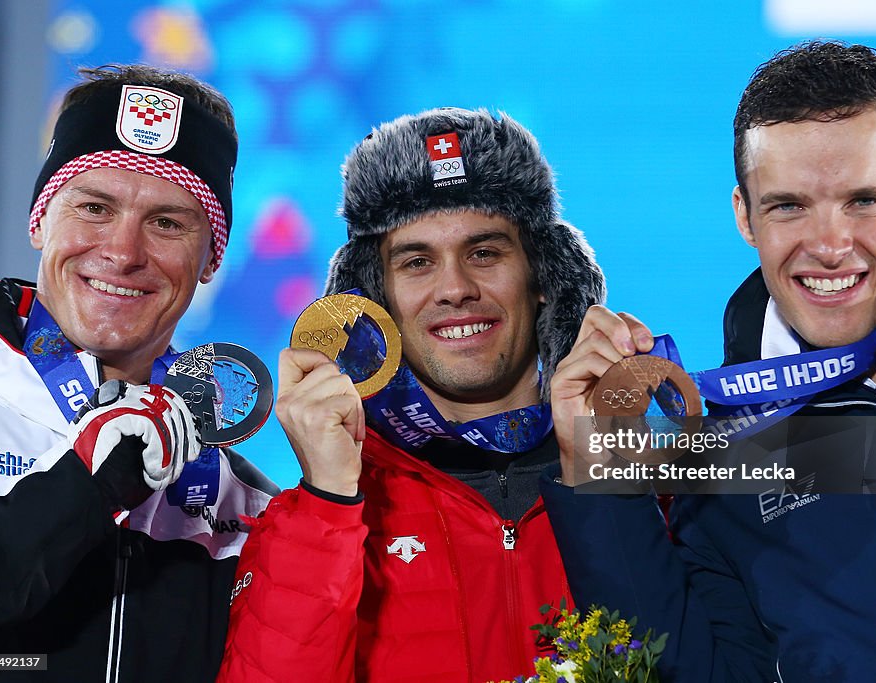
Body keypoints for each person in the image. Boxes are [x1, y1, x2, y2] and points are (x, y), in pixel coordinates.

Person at [542, 41, 876, 681]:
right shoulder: (727, 444)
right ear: (744, 216)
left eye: (863, 200)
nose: (830, 246)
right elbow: (693, 671)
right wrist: (598, 475)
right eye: (789, 206)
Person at [217, 108, 606, 681]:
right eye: (417, 262)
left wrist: (605, 474)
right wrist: (327, 498)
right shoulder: (317, 514)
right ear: (374, 301)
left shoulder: (636, 480)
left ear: (545, 279)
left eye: (485, 253)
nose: (455, 289)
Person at [0, 65, 277, 682]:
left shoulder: (238, 501)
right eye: (94, 207)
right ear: (38, 220)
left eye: (167, 223)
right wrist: (87, 483)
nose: (124, 252)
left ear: (210, 259)